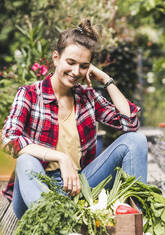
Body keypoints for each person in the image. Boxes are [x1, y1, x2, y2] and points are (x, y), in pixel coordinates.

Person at [1, 19, 148, 220]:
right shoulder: (29, 94)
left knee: (135, 141)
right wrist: (60, 157)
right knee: (26, 160)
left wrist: (106, 79)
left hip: (78, 187)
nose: (76, 72)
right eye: (70, 62)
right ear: (56, 57)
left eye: (83, 66)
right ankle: (55, 226)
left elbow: (130, 123)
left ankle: (137, 224)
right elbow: (9, 140)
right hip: (34, 191)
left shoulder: (87, 97)